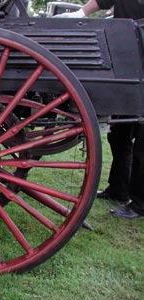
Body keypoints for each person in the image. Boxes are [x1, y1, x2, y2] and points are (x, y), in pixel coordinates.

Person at [57, 0, 144, 219]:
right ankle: (118, 189)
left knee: (142, 141)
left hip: (139, 53)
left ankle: (140, 204)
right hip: (126, 58)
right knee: (120, 134)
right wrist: (81, 13)